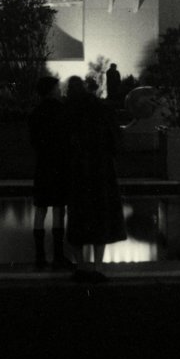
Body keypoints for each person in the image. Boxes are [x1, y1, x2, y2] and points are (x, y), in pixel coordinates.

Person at [64, 75, 127, 279]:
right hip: (101, 170)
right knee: (101, 217)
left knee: (77, 219)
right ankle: (98, 266)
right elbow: (115, 139)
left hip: (77, 170)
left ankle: (81, 265)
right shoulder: (101, 108)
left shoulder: (69, 111)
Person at [28, 74, 72, 270]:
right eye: (57, 86)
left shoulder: (36, 112)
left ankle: (40, 255)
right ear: (52, 90)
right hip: (59, 164)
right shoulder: (62, 111)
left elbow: (34, 139)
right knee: (58, 208)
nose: (60, 89)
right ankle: (58, 255)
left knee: (40, 208)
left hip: (43, 164)